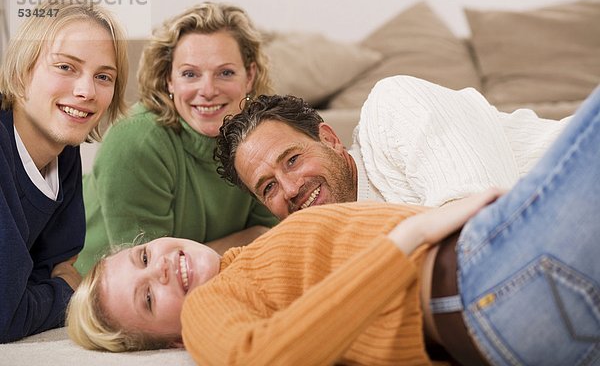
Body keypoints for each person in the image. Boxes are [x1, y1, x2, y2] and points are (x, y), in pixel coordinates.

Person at [66, 84, 599, 365]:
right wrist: (406, 240)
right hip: (479, 289)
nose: (159, 270)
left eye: (142, 257)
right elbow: (260, 357)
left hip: (506, 286)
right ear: (168, 343)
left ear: (331, 138)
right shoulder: (210, 307)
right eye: (148, 300)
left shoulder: (260, 259)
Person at [75, 2, 278, 275]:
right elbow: (159, 275)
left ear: (249, 76)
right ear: (169, 79)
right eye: (190, 74)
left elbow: (275, 238)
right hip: (92, 293)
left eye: (225, 72)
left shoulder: (261, 137)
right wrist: (248, 239)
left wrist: (191, 258)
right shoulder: (136, 141)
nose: (207, 90)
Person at [215, 75, 571, 220]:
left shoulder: (392, 105)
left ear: (330, 139)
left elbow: (483, 222)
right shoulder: (331, 249)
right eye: (269, 187)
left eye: (292, 159)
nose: (291, 189)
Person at [0, 0, 128, 343]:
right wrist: (64, 293)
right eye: (65, 67)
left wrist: (44, 287)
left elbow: (58, 265)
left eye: (103, 76)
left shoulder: (64, 155)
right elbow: (4, 315)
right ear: (20, 72)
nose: (86, 91)